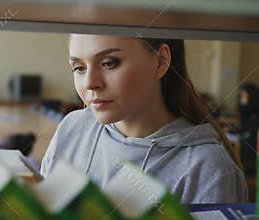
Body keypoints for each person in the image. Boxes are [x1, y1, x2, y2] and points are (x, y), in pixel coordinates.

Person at [41, 35, 247, 204]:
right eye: (79, 68)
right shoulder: (73, 126)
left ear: (161, 62)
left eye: (109, 63)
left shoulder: (208, 168)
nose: (89, 83)